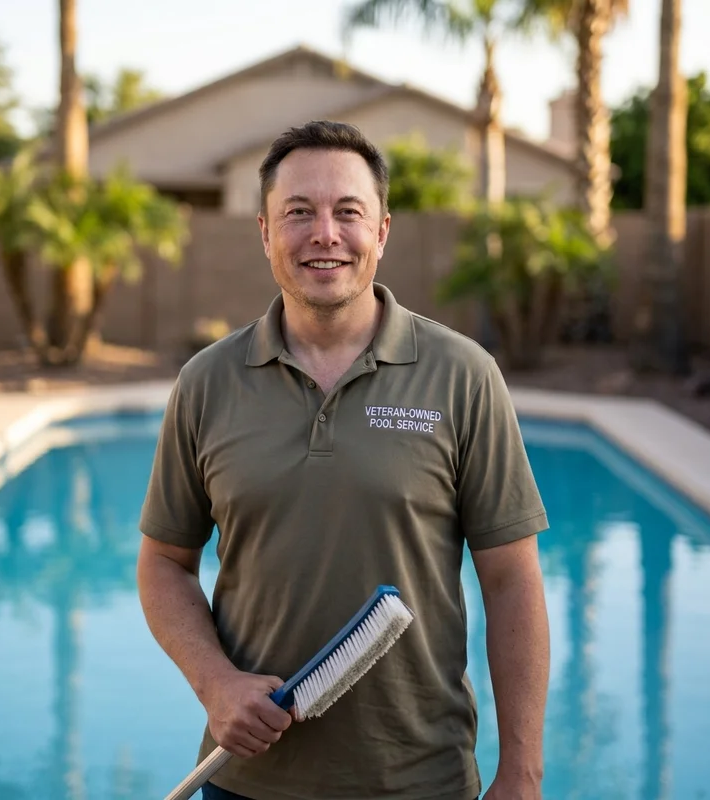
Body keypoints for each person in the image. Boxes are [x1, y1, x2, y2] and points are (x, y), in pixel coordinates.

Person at [136, 120, 551, 800]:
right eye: (298, 212)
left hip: (421, 781)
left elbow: (511, 582)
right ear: (265, 232)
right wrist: (216, 683)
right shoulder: (207, 383)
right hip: (247, 782)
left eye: (347, 212)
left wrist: (522, 772)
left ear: (381, 232)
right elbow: (162, 564)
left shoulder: (462, 375)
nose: (325, 234)